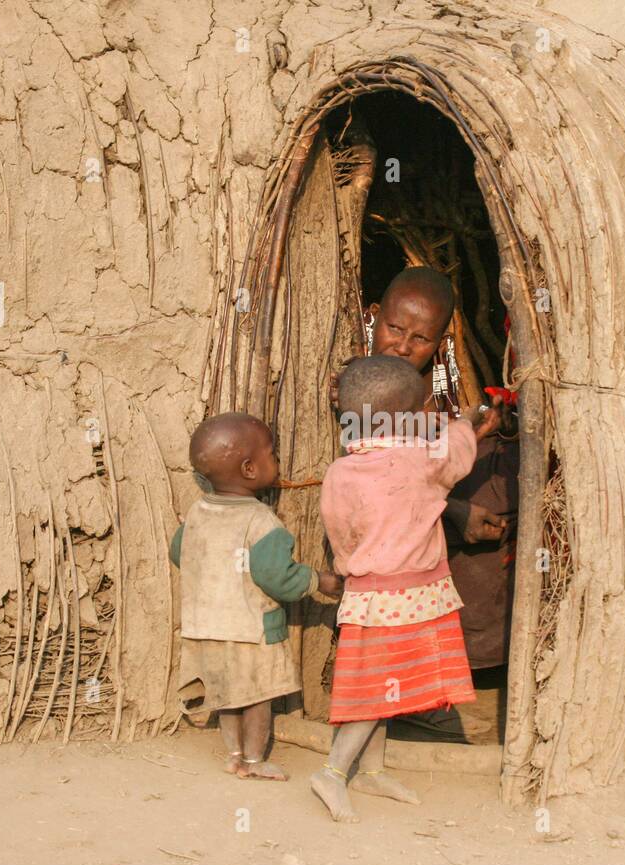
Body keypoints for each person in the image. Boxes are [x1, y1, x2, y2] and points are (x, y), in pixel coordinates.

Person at [311, 356, 499, 822]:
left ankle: (370, 773)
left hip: (366, 595)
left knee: (381, 687)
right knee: (375, 694)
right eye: (422, 408)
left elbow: (341, 534)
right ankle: (333, 772)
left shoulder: (340, 472)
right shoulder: (423, 459)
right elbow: (457, 451)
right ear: (405, 417)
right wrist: (469, 421)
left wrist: (353, 567)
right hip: (406, 596)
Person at [331, 267, 520, 683]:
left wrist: (479, 426)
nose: (401, 347)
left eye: (420, 338)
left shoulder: (430, 394)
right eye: (394, 328)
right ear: (373, 315)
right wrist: (453, 511)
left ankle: (478, 661)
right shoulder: (357, 388)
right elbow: (380, 483)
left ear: (440, 343)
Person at [169, 412, 343, 780]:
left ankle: (232, 754)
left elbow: (178, 553)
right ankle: (253, 760)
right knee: (258, 697)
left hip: (206, 628)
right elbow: (277, 578)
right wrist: (318, 581)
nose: (277, 461)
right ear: (250, 469)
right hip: (251, 632)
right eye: (272, 454)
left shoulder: (198, 512)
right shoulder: (261, 521)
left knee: (226, 697)